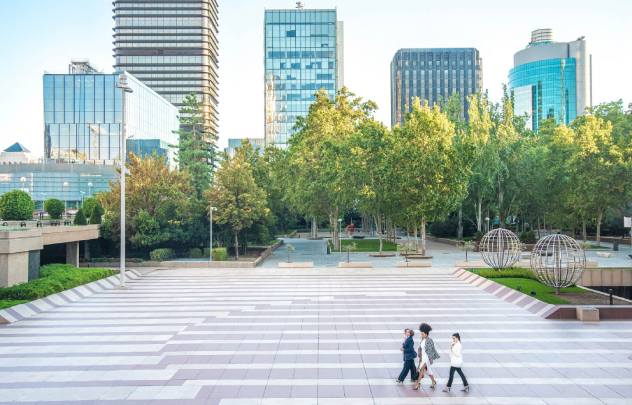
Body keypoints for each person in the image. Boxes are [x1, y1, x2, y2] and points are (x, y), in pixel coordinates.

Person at [413, 323, 439, 390]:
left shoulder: (429, 341)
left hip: (427, 357)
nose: (422, 335)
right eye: (421, 334)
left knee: (421, 369)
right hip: (423, 357)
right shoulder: (422, 340)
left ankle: (418, 383)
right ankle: (433, 381)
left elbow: (431, 350)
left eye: (423, 334)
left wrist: (431, 359)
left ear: (426, 334)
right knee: (428, 370)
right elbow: (421, 349)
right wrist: (420, 356)